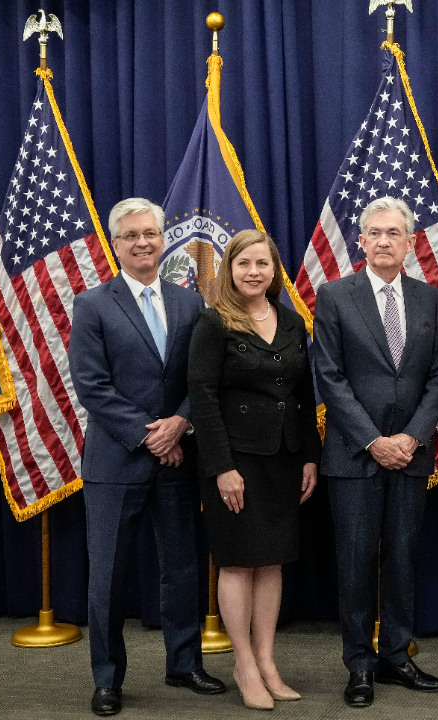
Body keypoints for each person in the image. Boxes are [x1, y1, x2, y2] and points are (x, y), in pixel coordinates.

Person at [69, 198, 225, 717]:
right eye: (131, 236)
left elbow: (199, 379)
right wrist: (149, 434)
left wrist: (180, 423)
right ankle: (108, 679)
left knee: (181, 568)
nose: (142, 243)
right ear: (116, 244)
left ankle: (184, 665)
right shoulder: (93, 304)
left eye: (150, 234)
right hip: (117, 463)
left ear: (163, 239)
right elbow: (92, 386)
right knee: (108, 576)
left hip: (179, 459)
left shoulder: (189, 302)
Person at [312, 195, 438, 708]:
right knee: (355, 561)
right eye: (376, 232)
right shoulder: (334, 296)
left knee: (402, 557)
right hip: (354, 456)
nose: (385, 241)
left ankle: (396, 656)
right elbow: (329, 376)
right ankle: (360, 665)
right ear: (362, 241)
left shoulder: (429, 299)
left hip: (412, 453)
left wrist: (412, 437)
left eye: (395, 233)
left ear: (410, 242)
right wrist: (373, 441)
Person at [188, 229, 320, 711]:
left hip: (284, 460)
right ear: (230, 269)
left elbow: (304, 397)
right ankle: (243, 663)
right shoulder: (213, 322)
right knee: (239, 560)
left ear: (273, 270)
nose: (253, 272)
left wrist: (310, 455)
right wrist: (222, 467)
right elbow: (201, 398)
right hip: (235, 462)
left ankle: (267, 661)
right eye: (244, 263)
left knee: (272, 561)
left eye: (262, 264)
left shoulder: (290, 321)